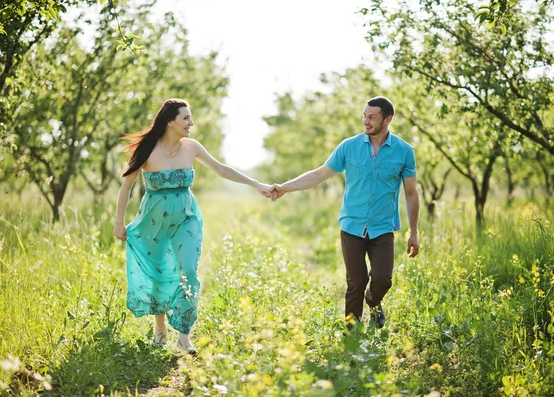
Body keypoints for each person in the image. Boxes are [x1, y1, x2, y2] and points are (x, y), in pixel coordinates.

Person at [113, 99, 272, 353]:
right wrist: (119, 222)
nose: (191, 123)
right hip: (153, 222)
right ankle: (160, 328)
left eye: (190, 117)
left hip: (187, 218)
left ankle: (184, 336)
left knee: (189, 272)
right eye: (186, 118)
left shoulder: (191, 147)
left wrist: (256, 184)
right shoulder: (147, 149)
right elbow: (127, 186)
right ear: (170, 121)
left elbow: (221, 169)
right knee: (160, 273)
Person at [269, 96, 419, 329]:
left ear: (387, 119)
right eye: (364, 116)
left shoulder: (404, 152)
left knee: (382, 280)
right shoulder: (349, 147)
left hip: (383, 227)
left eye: (372, 117)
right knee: (356, 282)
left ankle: (373, 301)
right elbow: (319, 174)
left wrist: (414, 232)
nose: (366, 121)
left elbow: (411, 193)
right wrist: (285, 187)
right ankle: (352, 333)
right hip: (352, 226)